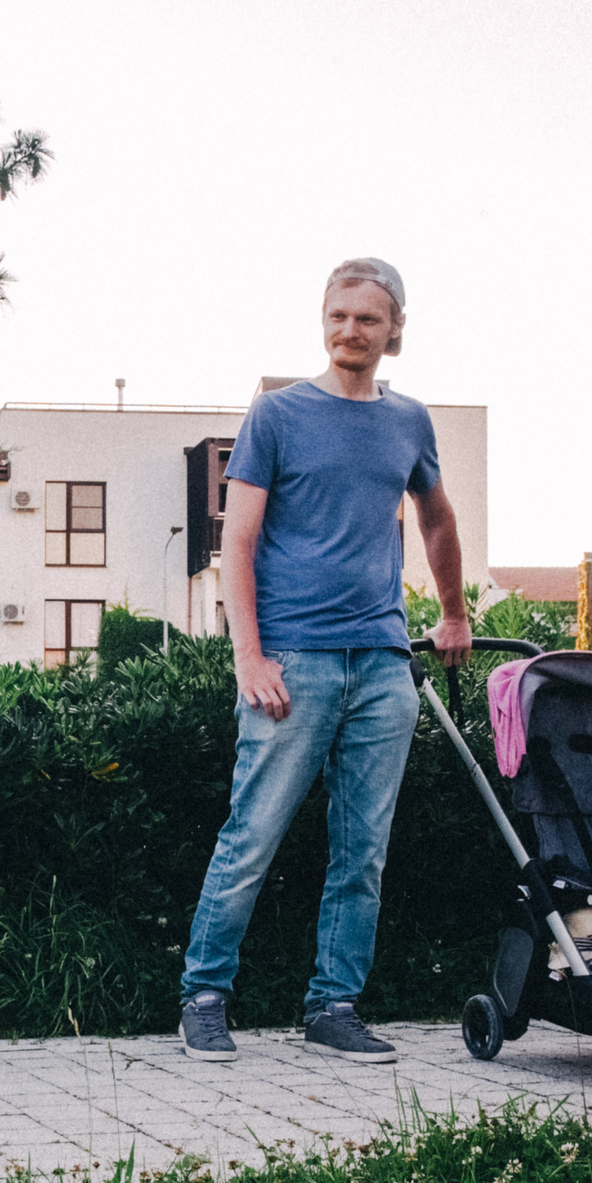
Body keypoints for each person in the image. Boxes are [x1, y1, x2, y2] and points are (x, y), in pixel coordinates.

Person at [179, 257, 472, 1064]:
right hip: (293, 660)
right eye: (339, 315)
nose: (351, 330)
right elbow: (235, 541)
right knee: (254, 833)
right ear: (323, 318)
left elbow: (438, 519)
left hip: (382, 662)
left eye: (368, 319)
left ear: (395, 330)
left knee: (362, 848)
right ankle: (204, 995)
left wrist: (452, 611)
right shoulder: (276, 414)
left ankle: (332, 1005)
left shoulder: (410, 421)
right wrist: (249, 657)